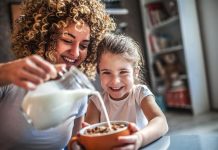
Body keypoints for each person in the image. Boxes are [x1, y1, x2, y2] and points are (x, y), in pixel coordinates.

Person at [0, 0, 115, 149]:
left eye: (84, 46)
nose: (75, 53)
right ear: (44, 37)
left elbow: (74, 144)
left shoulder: (77, 90)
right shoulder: (11, 79)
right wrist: (3, 71)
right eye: (67, 40)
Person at [85, 33, 168, 150]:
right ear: (99, 73)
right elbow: (90, 135)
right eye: (107, 72)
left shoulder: (140, 94)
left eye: (123, 72)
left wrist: (140, 138)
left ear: (135, 72)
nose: (115, 81)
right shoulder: (95, 102)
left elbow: (160, 121)